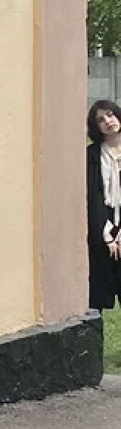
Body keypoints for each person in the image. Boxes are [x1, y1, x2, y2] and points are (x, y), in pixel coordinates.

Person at [86, 99, 121, 311]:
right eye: (100, 119)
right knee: (98, 296)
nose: (108, 121)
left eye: (110, 114)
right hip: (103, 227)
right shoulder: (92, 155)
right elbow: (93, 196)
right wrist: (107, 235)